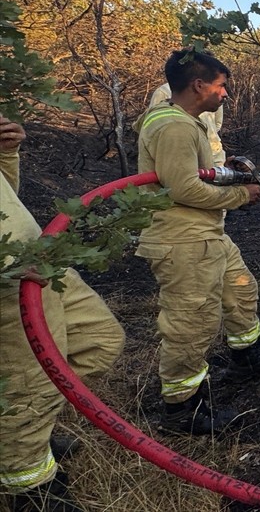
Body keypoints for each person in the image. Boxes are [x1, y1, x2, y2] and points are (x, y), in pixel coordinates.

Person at [134, 48, 260, 435]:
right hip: (183, 240)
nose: (225, 95)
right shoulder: (175, 126)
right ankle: (182, 410)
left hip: (206, 234)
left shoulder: (190, 123)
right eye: (221, 87)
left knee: (241, 291)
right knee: (192, 322)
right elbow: (182, 188)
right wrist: (242, 195)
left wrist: (229, 172)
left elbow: (192, 173)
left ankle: (246, 358)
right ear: (199, 85)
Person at [0, 114, 125, 512]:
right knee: (28, 390)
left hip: (39, 264)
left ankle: (24, 429)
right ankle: (31, 489)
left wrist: (7, 153)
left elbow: (6, 198)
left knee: (101, 341)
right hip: (8, 285)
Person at [148, 81, 225, 163]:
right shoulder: (164, 92)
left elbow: (217, 123)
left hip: (213, 154)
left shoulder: (213, 90)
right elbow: (153, 128)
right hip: (180, 158)